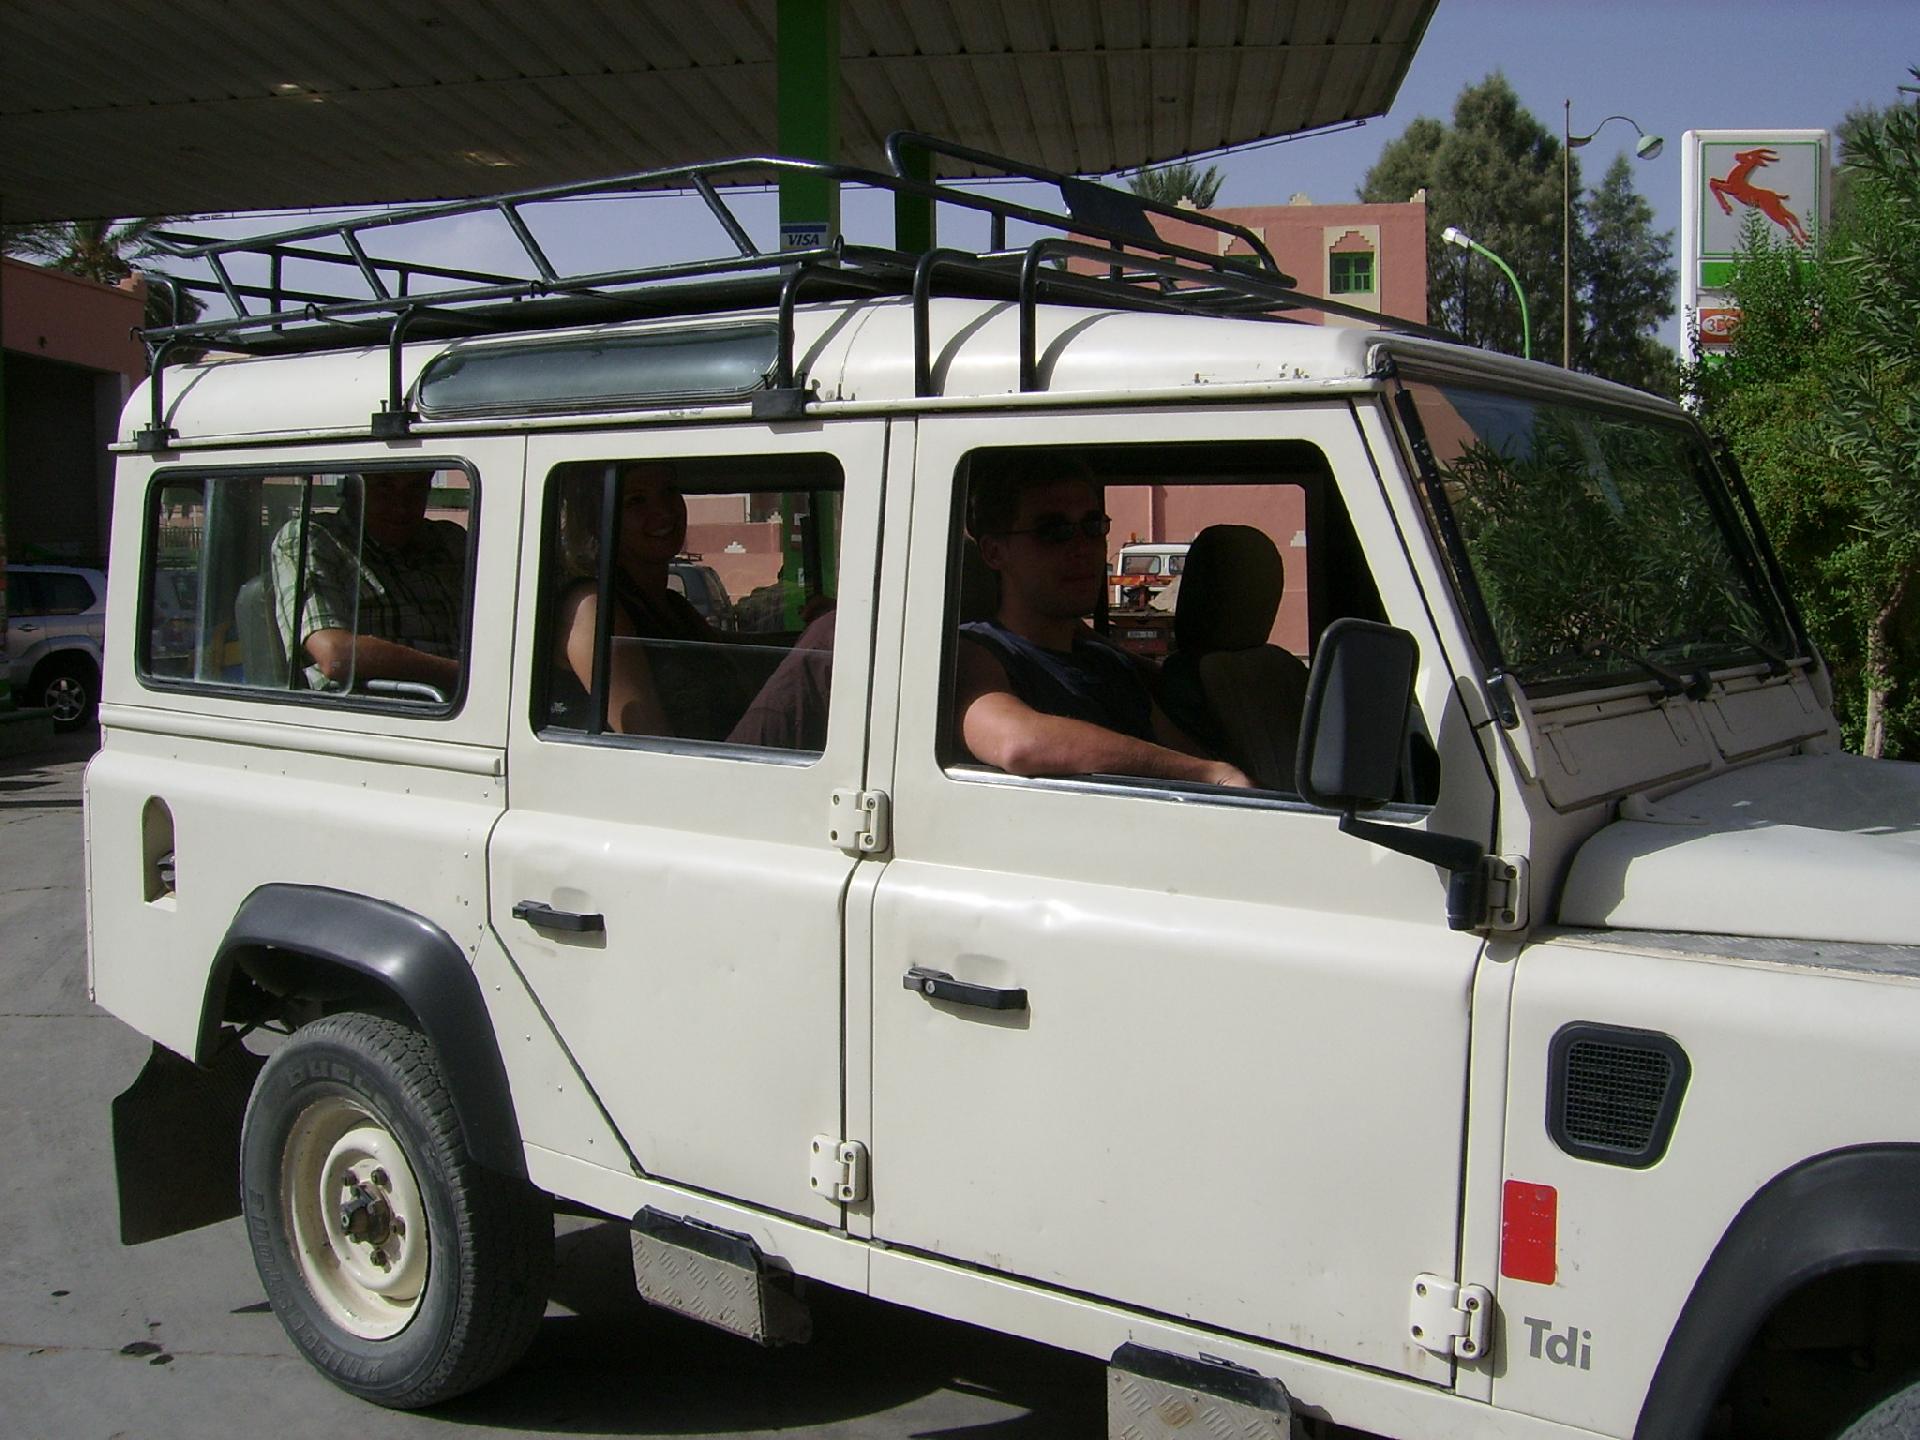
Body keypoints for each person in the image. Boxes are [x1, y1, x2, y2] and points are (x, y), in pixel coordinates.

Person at [954, 457, 1252, 788]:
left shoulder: (1109, 664)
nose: (1083, 547)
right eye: (1054, 531)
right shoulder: (975, 653)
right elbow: (1017, 743)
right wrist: (1208, 775)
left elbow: (1188, 755)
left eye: (1093, 526)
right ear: (994, 552)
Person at [550, 461, 743, 738]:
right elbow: (647, 738)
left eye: (669, 491)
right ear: (599, 519)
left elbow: (739, 659)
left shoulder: (675, 607)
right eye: (636, 500)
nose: (664, 511)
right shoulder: (593, 609)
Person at [270, 469, 466, 693]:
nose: (401, 507)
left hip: (468, 696)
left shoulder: (450, 541)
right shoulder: (312, 538)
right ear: (353, 488)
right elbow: (335, 655)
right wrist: (462, 674)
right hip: (374, 704)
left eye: (416, 488)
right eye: (384, 487)